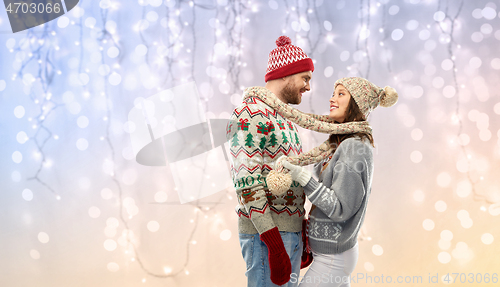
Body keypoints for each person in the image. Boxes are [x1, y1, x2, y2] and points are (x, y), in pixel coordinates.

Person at [276, 77, 398, 287]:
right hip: (331, 254)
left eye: (341, 94)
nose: (332, 99)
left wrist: (303, 178)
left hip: (333, 258)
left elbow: (341, 208)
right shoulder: (340, 142)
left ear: (357, 104)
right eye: (334, 93)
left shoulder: (354, 147)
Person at [226, 35, 314, 287]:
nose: (308, 87)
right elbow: (246, 182)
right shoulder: (249, 114)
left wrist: (299, 228)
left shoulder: (284, 117)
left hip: (288, 233)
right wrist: (274, 243)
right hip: (267, 236)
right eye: (305, 78)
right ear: (285, 74)